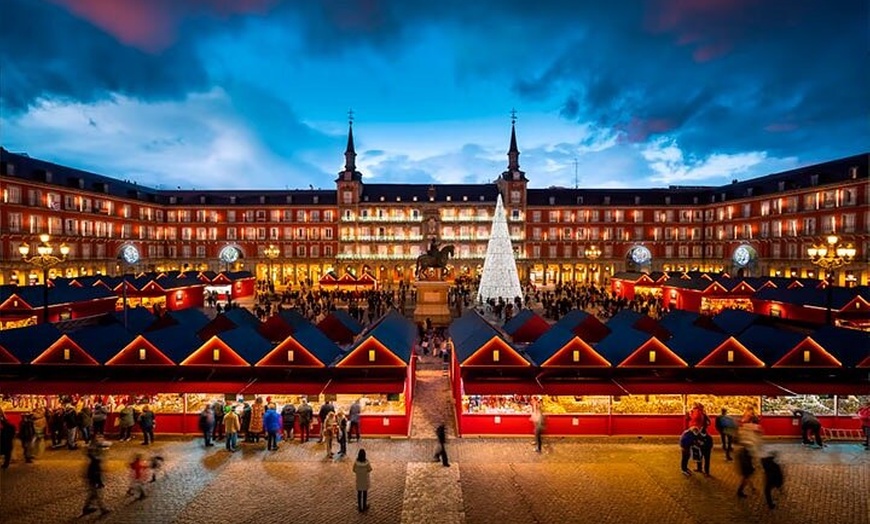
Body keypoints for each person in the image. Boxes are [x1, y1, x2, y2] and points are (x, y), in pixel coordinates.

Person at [81, 435, 110, 516]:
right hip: (93, 479)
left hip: (92, 478)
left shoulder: (93, 459)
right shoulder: (95, 462)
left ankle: (86, 508)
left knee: (93, 494)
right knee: (97, 494)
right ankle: (103, 509)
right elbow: (96, 472)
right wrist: (99, 481)